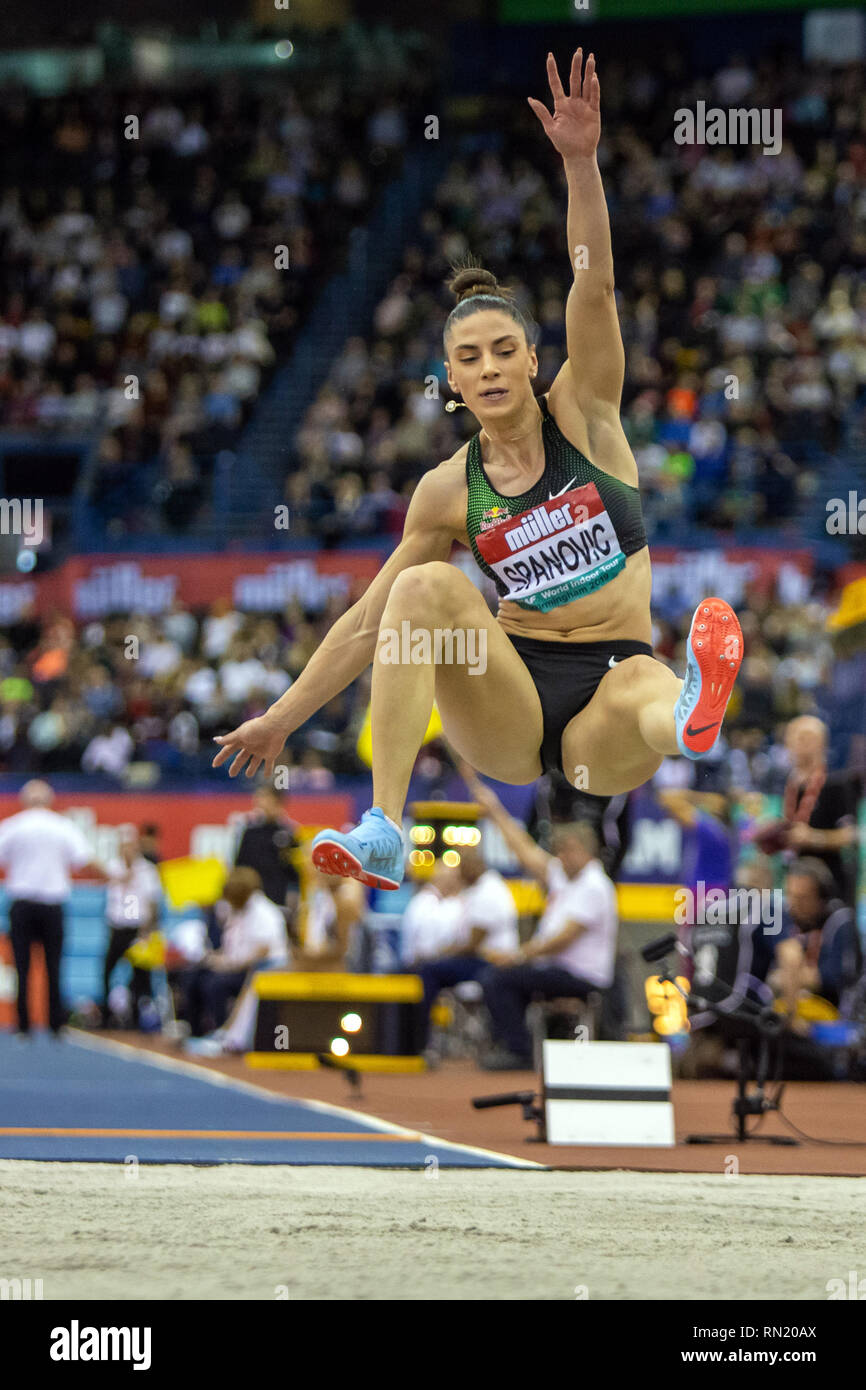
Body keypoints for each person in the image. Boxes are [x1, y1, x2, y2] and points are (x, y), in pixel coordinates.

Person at [212, 49, 744, 892]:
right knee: (420, 592)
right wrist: (282, 719)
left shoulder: (588, 416)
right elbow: (366, 623)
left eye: (505, 349)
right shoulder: (447, 489)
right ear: (452, 383)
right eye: (470, 358)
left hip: (609, 701)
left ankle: (692, 720)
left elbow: (595, 287)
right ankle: (386, 825)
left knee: (647, 679)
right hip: (511, 702)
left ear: (534, 359)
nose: (491, 366)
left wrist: (579, 163)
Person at [460, 759, 618, 1068]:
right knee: (500, 978)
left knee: (499, 979)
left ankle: (517, 1051)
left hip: (581, 976)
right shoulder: (564, 874)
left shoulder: (595, 885)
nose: (560, 856)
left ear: (587, 850)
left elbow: (564, 938)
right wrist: (493, 809)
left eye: (567, 850)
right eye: (559, 851)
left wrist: (521, 955)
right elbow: (523, 849)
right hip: (556, 970)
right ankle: (518, 1044)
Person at [0, 780, 106, 1037]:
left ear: (25, 800)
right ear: (49, 800)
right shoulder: (62, 826)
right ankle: (55, 1025)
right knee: (53, 966)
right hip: (51, 906)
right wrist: (112, 876)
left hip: (23, 905)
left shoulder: (13, 826)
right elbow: (85, 859)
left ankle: (23, 1025)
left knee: (22, 968)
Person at [414, 846, 519, 1044]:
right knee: (426, 968)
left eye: (461, 867)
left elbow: (471, 944)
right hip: (479, 958)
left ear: (473, 866)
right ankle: (419, 1037)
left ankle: (419, 1038)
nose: (459, 873)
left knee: (429, 971)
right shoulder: (479, 890)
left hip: (490, 961)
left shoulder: (489, 891)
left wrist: (439, 954)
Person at [177, 867, 289, 1039]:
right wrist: (217, 958)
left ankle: (222, 1030)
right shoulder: (235, 909)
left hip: (260, 969)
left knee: (215, 984)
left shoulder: (265, 913)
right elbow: (231, 942)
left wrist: (231, 963)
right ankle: (195, 1030)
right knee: (192, 976)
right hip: (235, 963)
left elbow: (262, 950)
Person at [100, 827, 163, 1028]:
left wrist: (149, 929)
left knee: (140, 975)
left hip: (138, 928)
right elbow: (112, 898)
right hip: (118, 927)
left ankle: (137, 1017)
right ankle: (107, 1014)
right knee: (107, 970)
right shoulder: (113, 867)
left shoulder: (147, 870)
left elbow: (153, 901)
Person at [233, 786, 302, 921]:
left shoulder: (289, 833)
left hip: (278, 902)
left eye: (265, 798)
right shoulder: (250, 832)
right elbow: (239, 866)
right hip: (252, 901)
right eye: (259, 798)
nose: (260, 802)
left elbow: (296, 874)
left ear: (278, 801)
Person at [401, 861, 464, 966]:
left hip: (427, 960)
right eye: (453, 880)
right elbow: (425, 947)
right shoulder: (426, 902)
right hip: (419, 963)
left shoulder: (438, 901)